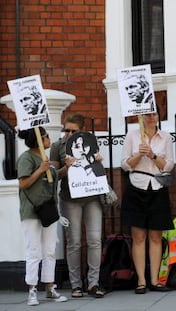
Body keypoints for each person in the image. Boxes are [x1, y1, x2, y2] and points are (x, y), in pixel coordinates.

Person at [49, 113, 105, 298]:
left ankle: (93, 283)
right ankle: (76, 285)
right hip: (70, 198)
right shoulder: (58, 146)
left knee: (95, 240)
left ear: (82, 131)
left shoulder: (91, 142)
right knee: (73, 241)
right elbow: (53, 176)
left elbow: (97, 171)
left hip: (92, 196)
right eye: (66, 130)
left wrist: (98, 162)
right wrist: (66, 168)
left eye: (73, 130)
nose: (69, 133)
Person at [120, 112, 175, 294]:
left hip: (157, 187)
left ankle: (155, 280)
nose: (151, 118)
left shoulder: (165, 137)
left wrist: (151, 155)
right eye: (147, 115)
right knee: (138, 236)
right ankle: (141, 281)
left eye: (154, 114)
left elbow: (168, 166)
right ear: (141, 117)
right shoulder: (132, 135)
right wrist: (138, 155)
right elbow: (125, 165)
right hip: (137, 186)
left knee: (156, 236)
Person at [17, 127, 68, 306]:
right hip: (31, 210)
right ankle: (32, 289)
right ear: (38, 140)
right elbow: (23, 183)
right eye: (46, 136)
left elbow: (54, 178)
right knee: (34, 250)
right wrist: (40, 170)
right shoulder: (26, 158)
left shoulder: (45, 159)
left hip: (48, 210)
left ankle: (49, 286)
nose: (49, 139)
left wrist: (65, 168)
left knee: (49, 249)